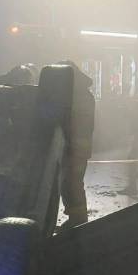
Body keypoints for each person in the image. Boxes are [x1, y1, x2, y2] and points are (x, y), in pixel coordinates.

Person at [58, 60, 95, 227]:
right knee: (69, 184)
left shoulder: (81, 96)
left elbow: (78, 123)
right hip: (74, 147)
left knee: (72, 184)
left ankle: (79, 220)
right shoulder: (76, 93)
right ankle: (76, 217)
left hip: (77, 148)